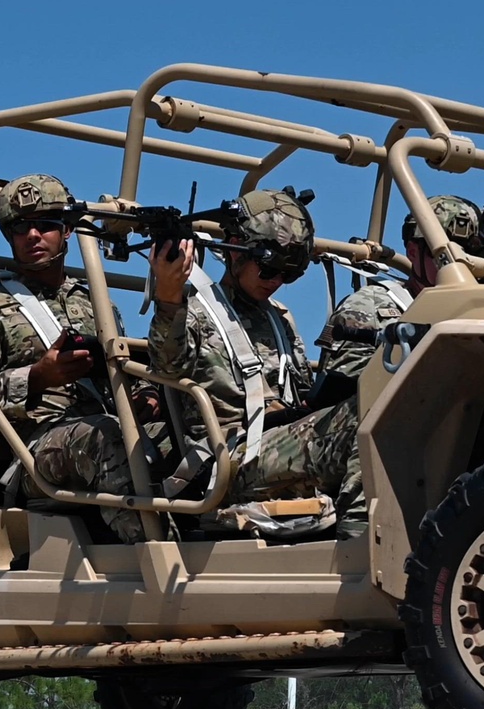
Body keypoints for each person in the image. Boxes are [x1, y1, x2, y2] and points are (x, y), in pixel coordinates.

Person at [0, 174, 160, 543]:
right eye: (20, 229)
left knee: (183, 432)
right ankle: (156, 552)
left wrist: (146, 397)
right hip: (35, 453)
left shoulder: (97, 305)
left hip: (106, 424)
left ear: (67, 232)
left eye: (45, 225)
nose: (32, 237)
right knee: (106, 436)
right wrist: (38, 377)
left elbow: (126, 370)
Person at [147, 189, 365, 539]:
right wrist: (169, 296)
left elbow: (301, 396)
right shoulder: (194, 311)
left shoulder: (280, 319)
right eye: (268, 268)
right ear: (235, 246)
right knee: (362, 416)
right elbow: (166, 368)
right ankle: (360, 544)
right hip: (230, 460)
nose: (276, 281)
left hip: (278, 442)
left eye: (289, 273)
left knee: (386, 401)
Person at [316, 190, 484, 379]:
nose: (462, 262)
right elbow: (347, 390)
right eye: (447, 253)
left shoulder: (481, 316)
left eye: (469, 254)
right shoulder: (372, 305)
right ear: (414, 253)